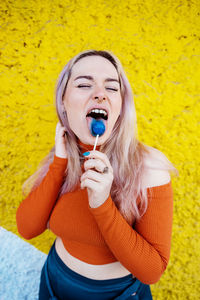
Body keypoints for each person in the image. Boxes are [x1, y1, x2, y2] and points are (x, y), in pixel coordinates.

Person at [16, 50, 176, 300]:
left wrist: (102, 204)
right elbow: (27, 228)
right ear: (64, 103)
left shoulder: (149, 167)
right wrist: (59, 164)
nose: (100, 93)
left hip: (117, 293)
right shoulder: (62, 153)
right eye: (83, 84)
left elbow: (152, 271)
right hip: (54, 280)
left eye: (111, 88)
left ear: (121, 107)